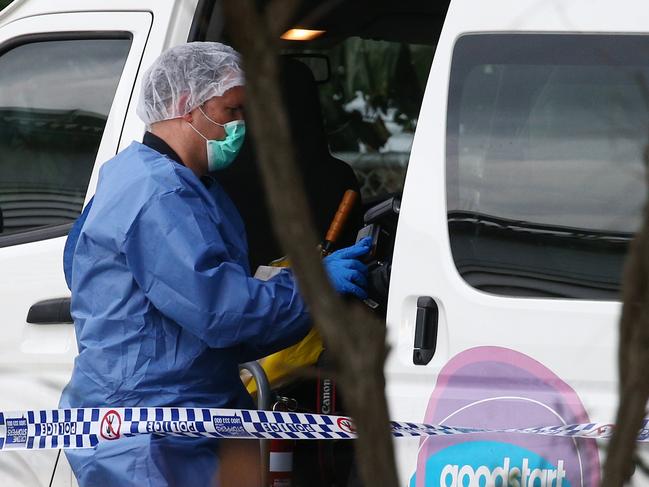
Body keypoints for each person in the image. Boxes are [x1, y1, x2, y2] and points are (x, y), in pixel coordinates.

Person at [59, 42, 371, 487]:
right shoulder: (157, 194)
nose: (241, 126)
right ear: (187, 105)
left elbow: (206, 294)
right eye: (231, 110)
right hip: (147, 429)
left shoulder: (160, 179)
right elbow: (221, 309)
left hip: (188, 416)